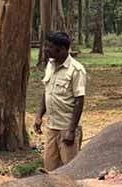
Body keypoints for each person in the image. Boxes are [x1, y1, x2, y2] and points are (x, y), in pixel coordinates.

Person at [33, 31, 86, 170]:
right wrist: (39, 116)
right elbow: (47, 92)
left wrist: (71, 130)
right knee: (50, 169)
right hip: (51, 127)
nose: (46, 49)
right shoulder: (50, 65)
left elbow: (79, 101)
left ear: (62, 49)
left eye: (50, 47)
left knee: (70, 171)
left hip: (66, 127)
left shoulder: (76, 70)